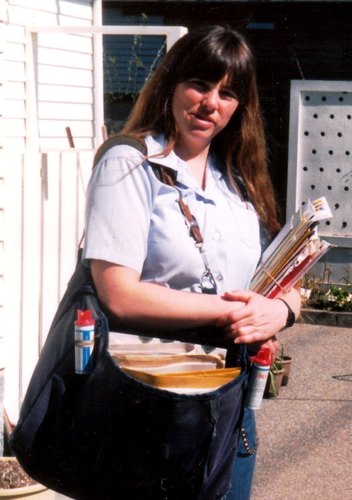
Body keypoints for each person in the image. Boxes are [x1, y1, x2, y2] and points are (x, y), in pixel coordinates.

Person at [82, 24, 301, 499]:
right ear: (172, 83)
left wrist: (281, 310)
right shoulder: (130, 164)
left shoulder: (238, 182)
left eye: (227, 93)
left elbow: (279, 279)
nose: (210, 103)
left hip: (230, 405)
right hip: (150, 404)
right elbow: (118, 294)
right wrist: (234, 313)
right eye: (200, 84)